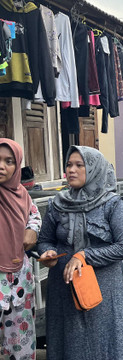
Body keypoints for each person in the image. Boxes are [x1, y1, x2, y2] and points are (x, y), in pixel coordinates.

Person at [37, 146, 123, 360]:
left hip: (103, 288)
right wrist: (47, 253)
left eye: (79, 165)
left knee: (102, 342)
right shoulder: (57, 204)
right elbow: (45, 240)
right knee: (68, 340)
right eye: (69, 165)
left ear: (94, 170)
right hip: (63, 287)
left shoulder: (113, 204)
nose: (71, 170)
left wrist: (84, 255)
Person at [0, 138, 41, 360]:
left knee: (20, 334)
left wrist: (32, 230)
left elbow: (34, 215)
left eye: (9, 161)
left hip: (19, 274)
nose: (2, 166)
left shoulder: (22, 194)